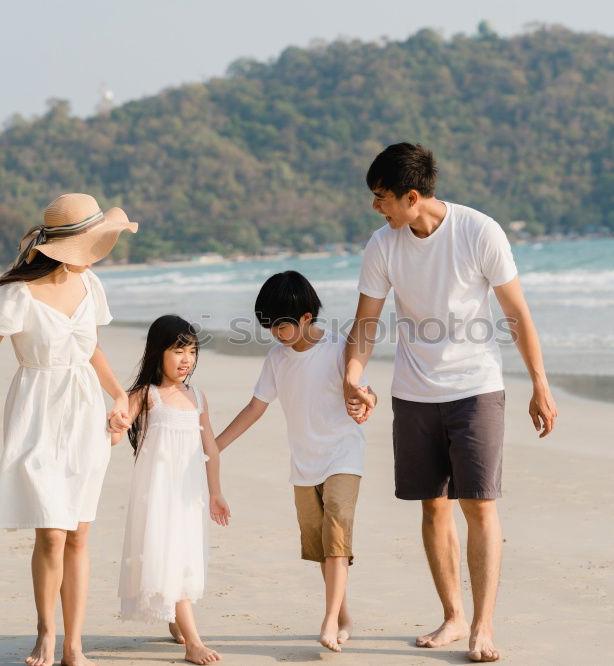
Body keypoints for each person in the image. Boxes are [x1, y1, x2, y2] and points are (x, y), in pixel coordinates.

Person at [343, 143, 558, 663]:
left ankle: (484, 625)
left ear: (411, 196)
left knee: (479, 504)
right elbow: (366, 321)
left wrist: (539, 384)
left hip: (475, 387)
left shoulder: (479, 231)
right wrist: (353, 374)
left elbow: (517, 313)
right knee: (432, 505)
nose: (377, 208)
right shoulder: (383, 245)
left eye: (382, 198)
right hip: (414, 393)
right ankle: (454, 617)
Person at [0, 193, 138, 666]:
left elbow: (91, 350)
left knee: (79, 532)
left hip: (84, 413)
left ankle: (74, 645)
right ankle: (45, 633)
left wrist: (120, 396)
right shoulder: (13, 294)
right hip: (36, 411)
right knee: (52, 533)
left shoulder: (92, 285)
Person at [215, 271, 375, 653]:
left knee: (337, 531)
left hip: (343, 454)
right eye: (268, 326)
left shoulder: (339, 349)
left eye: (281, 326)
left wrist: (366, 402)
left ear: (306, 317)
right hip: (304, 463)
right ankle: (343, 615)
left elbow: (365, 391)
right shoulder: (276, 359)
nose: (275, 333)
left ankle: (328, 621)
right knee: (323, 544)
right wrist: (215, 446)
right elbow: (256, 407)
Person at [113, 314, 231, 665]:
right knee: (170, 555)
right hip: (158, 493)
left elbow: (210, 449)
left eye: (192, 351)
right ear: (157, 352)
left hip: (189, 494)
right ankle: (193, 642)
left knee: (184, 555)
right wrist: (115, 423)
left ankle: (175, 617)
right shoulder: (146, 395)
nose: (186, 360)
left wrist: (215, 492)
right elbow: (117, 433)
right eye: (178, 351)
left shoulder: (197, 396)